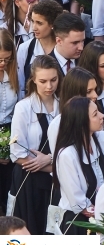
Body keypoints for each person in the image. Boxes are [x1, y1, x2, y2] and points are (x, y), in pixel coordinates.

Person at [8, 55, 60, 234]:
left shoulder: (64, 106)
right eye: (43, 81)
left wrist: (48, 159)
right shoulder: (23, 108)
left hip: (55, 180)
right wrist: (49, 165)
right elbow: (17, 153)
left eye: (53, 80)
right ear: (33, 80)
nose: (49, 86)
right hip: (28, 180)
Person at [52, 96, 104, 235]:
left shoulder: (103, 138)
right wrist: (103, 214)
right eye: (95, 114)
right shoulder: (67, 154)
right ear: (81, 122)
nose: (102, 115)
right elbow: (77, 201)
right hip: (79, 222)